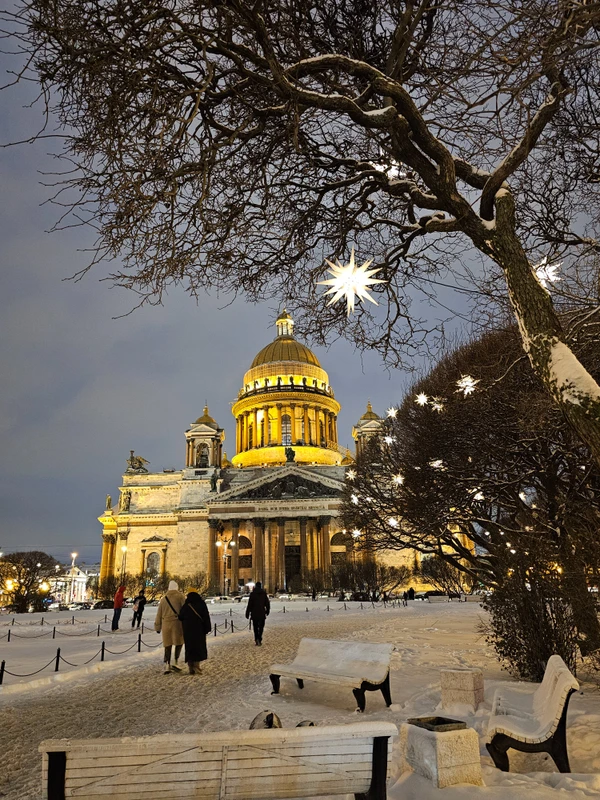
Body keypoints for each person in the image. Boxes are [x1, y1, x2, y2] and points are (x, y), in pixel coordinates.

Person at [155, 580, 186, 674]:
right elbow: (184, 610)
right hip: (177, 623)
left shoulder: (164, 599)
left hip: (166, 624)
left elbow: (159, 614)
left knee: (167, 645)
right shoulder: (180, 597)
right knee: (179, 642)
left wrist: (157, 626)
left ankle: (167, 664)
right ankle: (176, 660)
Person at [178, 591, 212, 674]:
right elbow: (206, 616)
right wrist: (207, 628)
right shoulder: (201, 604)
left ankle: (191, 667)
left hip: (188, 631)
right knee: (198, 647)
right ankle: (196, 666)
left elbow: (180, 616)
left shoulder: (186, 605)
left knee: (189, 648)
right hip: (199, 630)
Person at [245, 581, 270, 646]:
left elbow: (250, 604)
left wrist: (247, 613)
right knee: (261, 627)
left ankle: (256, 638)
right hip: (262, 613)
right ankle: (259, 638)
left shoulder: (253, 594)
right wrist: (267, 611)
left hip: (254, 613)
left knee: (255, 627)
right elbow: (267, 603)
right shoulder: (263, 593)